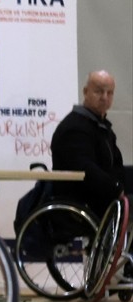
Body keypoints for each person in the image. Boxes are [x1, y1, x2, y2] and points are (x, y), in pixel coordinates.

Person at [50, 70, 126, 218]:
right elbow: (86, 170)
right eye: (99, 91)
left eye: (110, 93)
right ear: (85, 92)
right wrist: (116, 189)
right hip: (81, 203)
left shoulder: (102, 127)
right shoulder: (74, 127)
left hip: (101, 199)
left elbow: (116, 164)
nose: (105, 98)